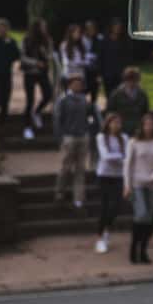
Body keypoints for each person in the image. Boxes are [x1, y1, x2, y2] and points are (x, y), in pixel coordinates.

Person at [124, 112, 153, 264]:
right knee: (141, 214)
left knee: (149, 219)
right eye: (146, 124)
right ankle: (133, 248)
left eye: (152, 124)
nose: (149, 127)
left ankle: (143, 250)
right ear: (142, 126)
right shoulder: (133, 142)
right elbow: (127, 164)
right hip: (137, 184)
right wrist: (127, 185)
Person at [54, 74, 97, 211]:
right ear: (70, 85)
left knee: (80, 169)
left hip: (83, 136)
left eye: (80, 84)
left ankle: (78, 197)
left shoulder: (85, 100)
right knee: (66, 167)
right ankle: (60, 191)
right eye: (76, 83)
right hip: (69, 137)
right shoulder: (63, 100)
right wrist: (60, 138)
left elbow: (91, 117)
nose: (78, 86)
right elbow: (58, 120)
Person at [95, 112, 128, 254]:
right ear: (108, 124)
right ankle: (101, 237)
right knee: (105, 206)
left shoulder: (124, 138)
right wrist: (120, 157)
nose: (116, 125)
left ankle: (107, 230)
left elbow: (128, 157)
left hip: (119, 176)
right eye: (113, 122)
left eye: (119, 123)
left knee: (116, 205)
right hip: (104, 175)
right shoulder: (101, 137)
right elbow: (105, 156)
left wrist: (119, 158)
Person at [21, 18, 54, 140]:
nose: (45, 29)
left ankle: (37, 111)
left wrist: (45, 53)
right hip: (29, 72)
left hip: (42, 73)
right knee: (30, 100)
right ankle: (27, 127)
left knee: (48, 94)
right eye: (42, 27)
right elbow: (23, 57)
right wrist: (35, 63)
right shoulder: (26, 40)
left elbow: (50, 55)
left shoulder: (47, 40)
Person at [107, 67, 149, 138]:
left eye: (135, 80)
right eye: (130, 80)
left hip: (137, 129)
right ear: (125, 80)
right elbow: (110, 112)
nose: (132, 83)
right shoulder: (116, 94)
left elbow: (145, 112)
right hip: (121, 129)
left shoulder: (142, 94)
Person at [99, 19, 134, 104]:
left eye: (119, 27)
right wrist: (100, 72)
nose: (117, 29)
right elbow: (101, 56)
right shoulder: (105, 40)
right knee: (109, 93)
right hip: (107, 72)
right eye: (116, 27)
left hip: (120, 71)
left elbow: (127, 56)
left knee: (120, 92)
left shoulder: (124, 40)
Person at [58, 24, 86, 93]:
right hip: (69, 76)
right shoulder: (64, 45)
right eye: (76, 32)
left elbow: (84, 59)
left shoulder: (81, 46)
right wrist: (78, 63)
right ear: (71, 33)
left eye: (79, 32)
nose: (78, 34)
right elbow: (66, 62)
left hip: (80, 76)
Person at [82, 19, 104, 105]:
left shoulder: (99, 39)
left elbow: (101, 54)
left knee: (94, 91)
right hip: (84, 70)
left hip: (95, 69)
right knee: (84, 90)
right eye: (89, 28)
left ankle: (93, 110)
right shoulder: (81, 39)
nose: (91, 30)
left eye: (93, 28)